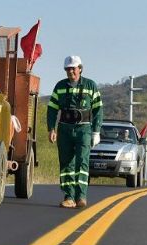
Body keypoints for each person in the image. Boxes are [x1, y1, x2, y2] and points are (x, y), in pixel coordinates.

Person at [47, 55, 103, 208]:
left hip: (84, 129)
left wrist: (96, 131)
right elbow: (52, 108)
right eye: (68, 69)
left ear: (80, 69)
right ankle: (69, 196)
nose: (70, 71)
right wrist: (51, 128)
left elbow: (98, 109)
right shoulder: (60, 86)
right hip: (64, 129)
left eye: (73, 68)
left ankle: (81, 196)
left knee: (82, 162)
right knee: (66, 164)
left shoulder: (90, 86)